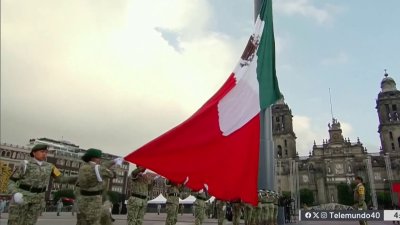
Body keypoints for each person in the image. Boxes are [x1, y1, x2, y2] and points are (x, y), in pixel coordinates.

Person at [7, 144, 78, 225]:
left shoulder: (50, 166)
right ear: (34, 153)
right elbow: (12, 181)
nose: (44, 154)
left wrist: (78, 177)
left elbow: (61, 178)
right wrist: (15, 193)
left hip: (38, 199)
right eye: (42, 152)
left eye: (46, 152)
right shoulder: (26, 164)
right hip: (23, 196)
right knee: (15, 222)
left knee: (30, 223)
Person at [77, 148, 117, 225]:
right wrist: (116, 165)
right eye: (99, 157)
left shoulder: (83, 167)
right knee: (94, 221)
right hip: (94, 200)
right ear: (93, 158)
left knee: (83, 221)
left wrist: (113, 162)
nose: (100, 159)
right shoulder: (98, 168)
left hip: (83, 199)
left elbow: (101, 166)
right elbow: (112, 174)